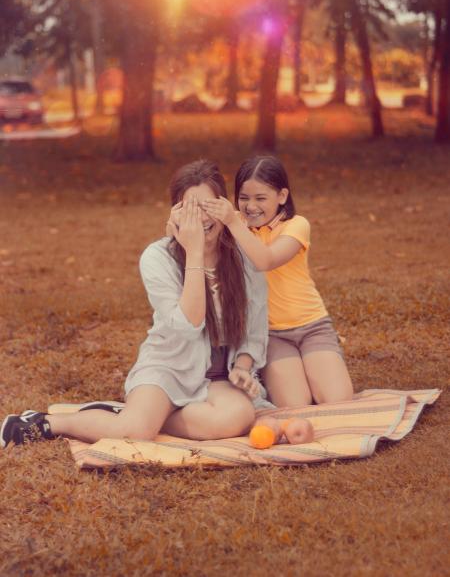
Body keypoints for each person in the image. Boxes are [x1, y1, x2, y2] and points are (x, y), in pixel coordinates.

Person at [1, 160, 268, 448]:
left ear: (224, 206)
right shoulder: (157, 258)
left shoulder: (243, 257)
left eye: (208, 206)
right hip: (169, 366)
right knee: (136, 431)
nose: (200, 217)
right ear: (174, 212)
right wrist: (194, 252)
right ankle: (51, 422)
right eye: (189, 208)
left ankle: (140, 416)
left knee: (237, 417)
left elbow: (254, 327)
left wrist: (242, 365)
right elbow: (188, 327)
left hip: (218, 377)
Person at [201, 155, 353, 408]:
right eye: (244, 198)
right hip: (270, 334)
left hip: (312, 326)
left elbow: (266, 260)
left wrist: (233, 223)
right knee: (295, 406)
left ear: (282, 196)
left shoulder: (296, 225)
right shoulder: (235, 224)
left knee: (337, 402)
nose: (251, 207)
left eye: (261, 198)